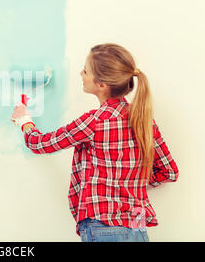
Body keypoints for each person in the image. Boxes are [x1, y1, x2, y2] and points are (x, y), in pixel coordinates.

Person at [11, 43, 179, 242]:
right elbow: (168, 172)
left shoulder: (95, 122)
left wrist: (25, 121)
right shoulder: (144, 121)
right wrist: (132, 182)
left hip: (103, 227)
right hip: (137, 230)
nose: (80, 74)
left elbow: (39, 144)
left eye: (85, 71)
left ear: (102, 85)